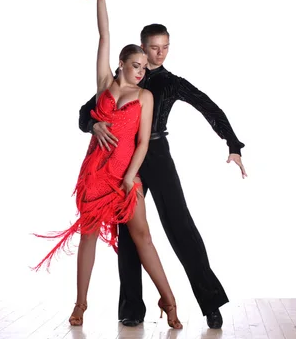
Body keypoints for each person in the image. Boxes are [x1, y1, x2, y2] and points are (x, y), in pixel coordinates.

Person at [33, 0, 183, 330]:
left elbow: (143, 142)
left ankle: (170, 301)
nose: (141, 71)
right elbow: (104, 36)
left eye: (144, 68)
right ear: (121, 63)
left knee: (143, 237)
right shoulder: (104, 84)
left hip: (125, 177)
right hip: (96, 173)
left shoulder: (144, 98)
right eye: (136, 65)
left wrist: (130, 178)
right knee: (87, 235)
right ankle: (80, 305)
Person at [78, 23, 247, 329]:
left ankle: (209, 303)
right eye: (153, 47)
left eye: (165, 47)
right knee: (129, 236)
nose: (160, 54)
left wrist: (232, 143)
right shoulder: (124, 76)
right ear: (142, 48)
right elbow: (85, 113)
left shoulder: (172, 83)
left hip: (156, 156)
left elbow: (209, 106)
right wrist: (94, 126)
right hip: (121, 159)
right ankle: (131, 308)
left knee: (181, 227)